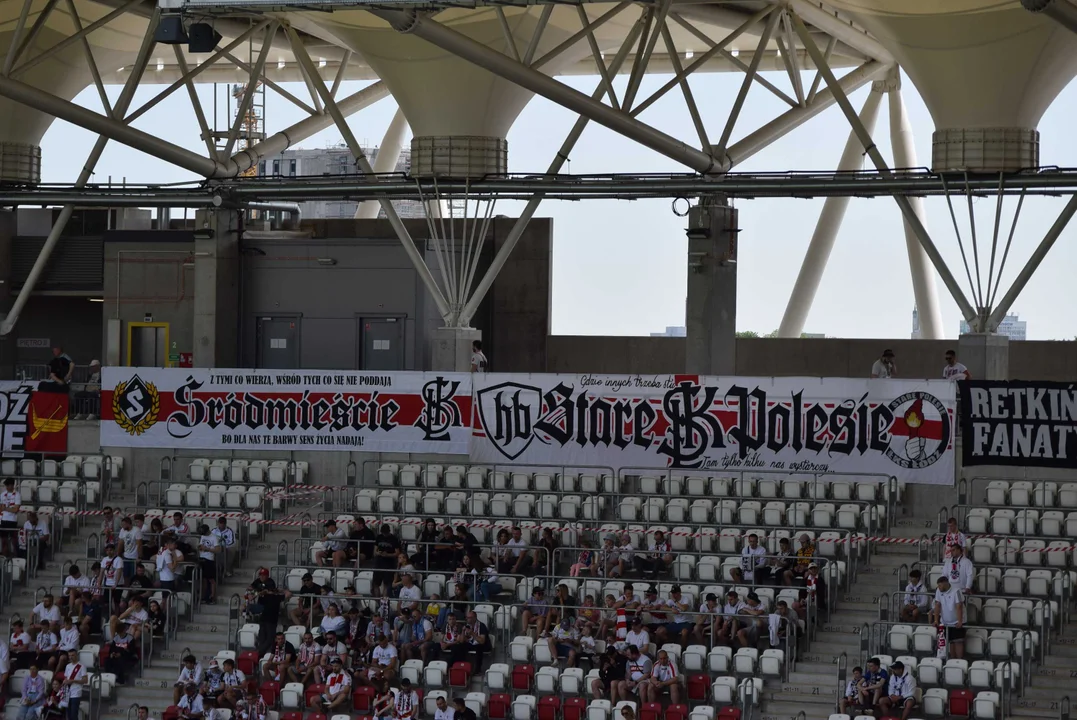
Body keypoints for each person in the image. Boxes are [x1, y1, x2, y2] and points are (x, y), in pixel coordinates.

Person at [930, 575, 965, 659]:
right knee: (951, 642)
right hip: (945, 622)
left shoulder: (956, 591)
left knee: (958, 642)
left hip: (957, 621)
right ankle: (952, 661)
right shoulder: (938, 590)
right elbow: (937, 605)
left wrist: (960, 621)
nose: (939, 587)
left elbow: (959, 606)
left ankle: (959, 661)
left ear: (946, 583)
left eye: (940, 585)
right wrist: (936, 620)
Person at [197, 524, 220, 604]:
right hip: (202, 558)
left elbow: (218, 549)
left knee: (211, 579)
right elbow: (201, 544)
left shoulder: (214, 537)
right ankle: (204, 596)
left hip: (209, 559)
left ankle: (212, 597)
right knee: (203, 579)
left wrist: (207, 549)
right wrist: (200, 547)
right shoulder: (203, 536)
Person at [62, 655, 87, 720]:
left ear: (76, 656)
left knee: (74, 715)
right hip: (67, 693)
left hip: (76, 693)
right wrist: (65, 681)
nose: (71, 657)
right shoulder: (68, 666)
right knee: (69, 715)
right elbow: (66, 677)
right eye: (69, 655)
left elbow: (85, 680)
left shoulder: (81, 666)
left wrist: (73, 681)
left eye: (73, 655)